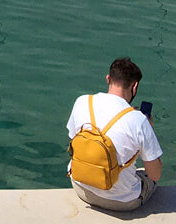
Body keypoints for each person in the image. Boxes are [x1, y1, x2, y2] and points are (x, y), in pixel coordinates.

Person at [67, 57, 163, 212]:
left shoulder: (82, 101)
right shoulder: (139, 120)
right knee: (146, 175)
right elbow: (155, 174)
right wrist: (148, 129)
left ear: (108, 79)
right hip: (123, 201)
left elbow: (74, 141)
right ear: (135, 86)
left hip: (81, 188)